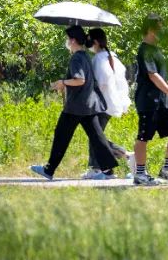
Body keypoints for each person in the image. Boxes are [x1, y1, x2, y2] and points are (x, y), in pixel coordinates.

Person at [29, 26, 120, 181]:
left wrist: (62, 82)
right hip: (88, 105)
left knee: (61, 135)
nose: (67, 42)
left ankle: (49, 170)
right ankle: (108, 171)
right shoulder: (85, 56)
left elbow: (80, 80)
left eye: (68, 39)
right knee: (97, 138)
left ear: (72, 40)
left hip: (76, 106)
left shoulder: (77, 58)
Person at [132, 14, 168, 186]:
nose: (162, 31)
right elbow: (152, 75)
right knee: (143, 137)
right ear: (150, 29)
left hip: (161, 101)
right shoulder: (145, 50)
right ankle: (140, 174)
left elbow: (161, 75)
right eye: (159, 27)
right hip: (148, 101)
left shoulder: (156, 50)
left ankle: (167, 170)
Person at [82, 28, 131, 179]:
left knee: (95, 136)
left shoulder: (99, 59)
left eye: (89, 39)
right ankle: (122, 156)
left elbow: (103, 81)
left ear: (95, 42)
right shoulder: (112, 57)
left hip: (101, 104)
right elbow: (122, 82)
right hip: (110, 104)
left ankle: (99, 168)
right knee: (96, 136)